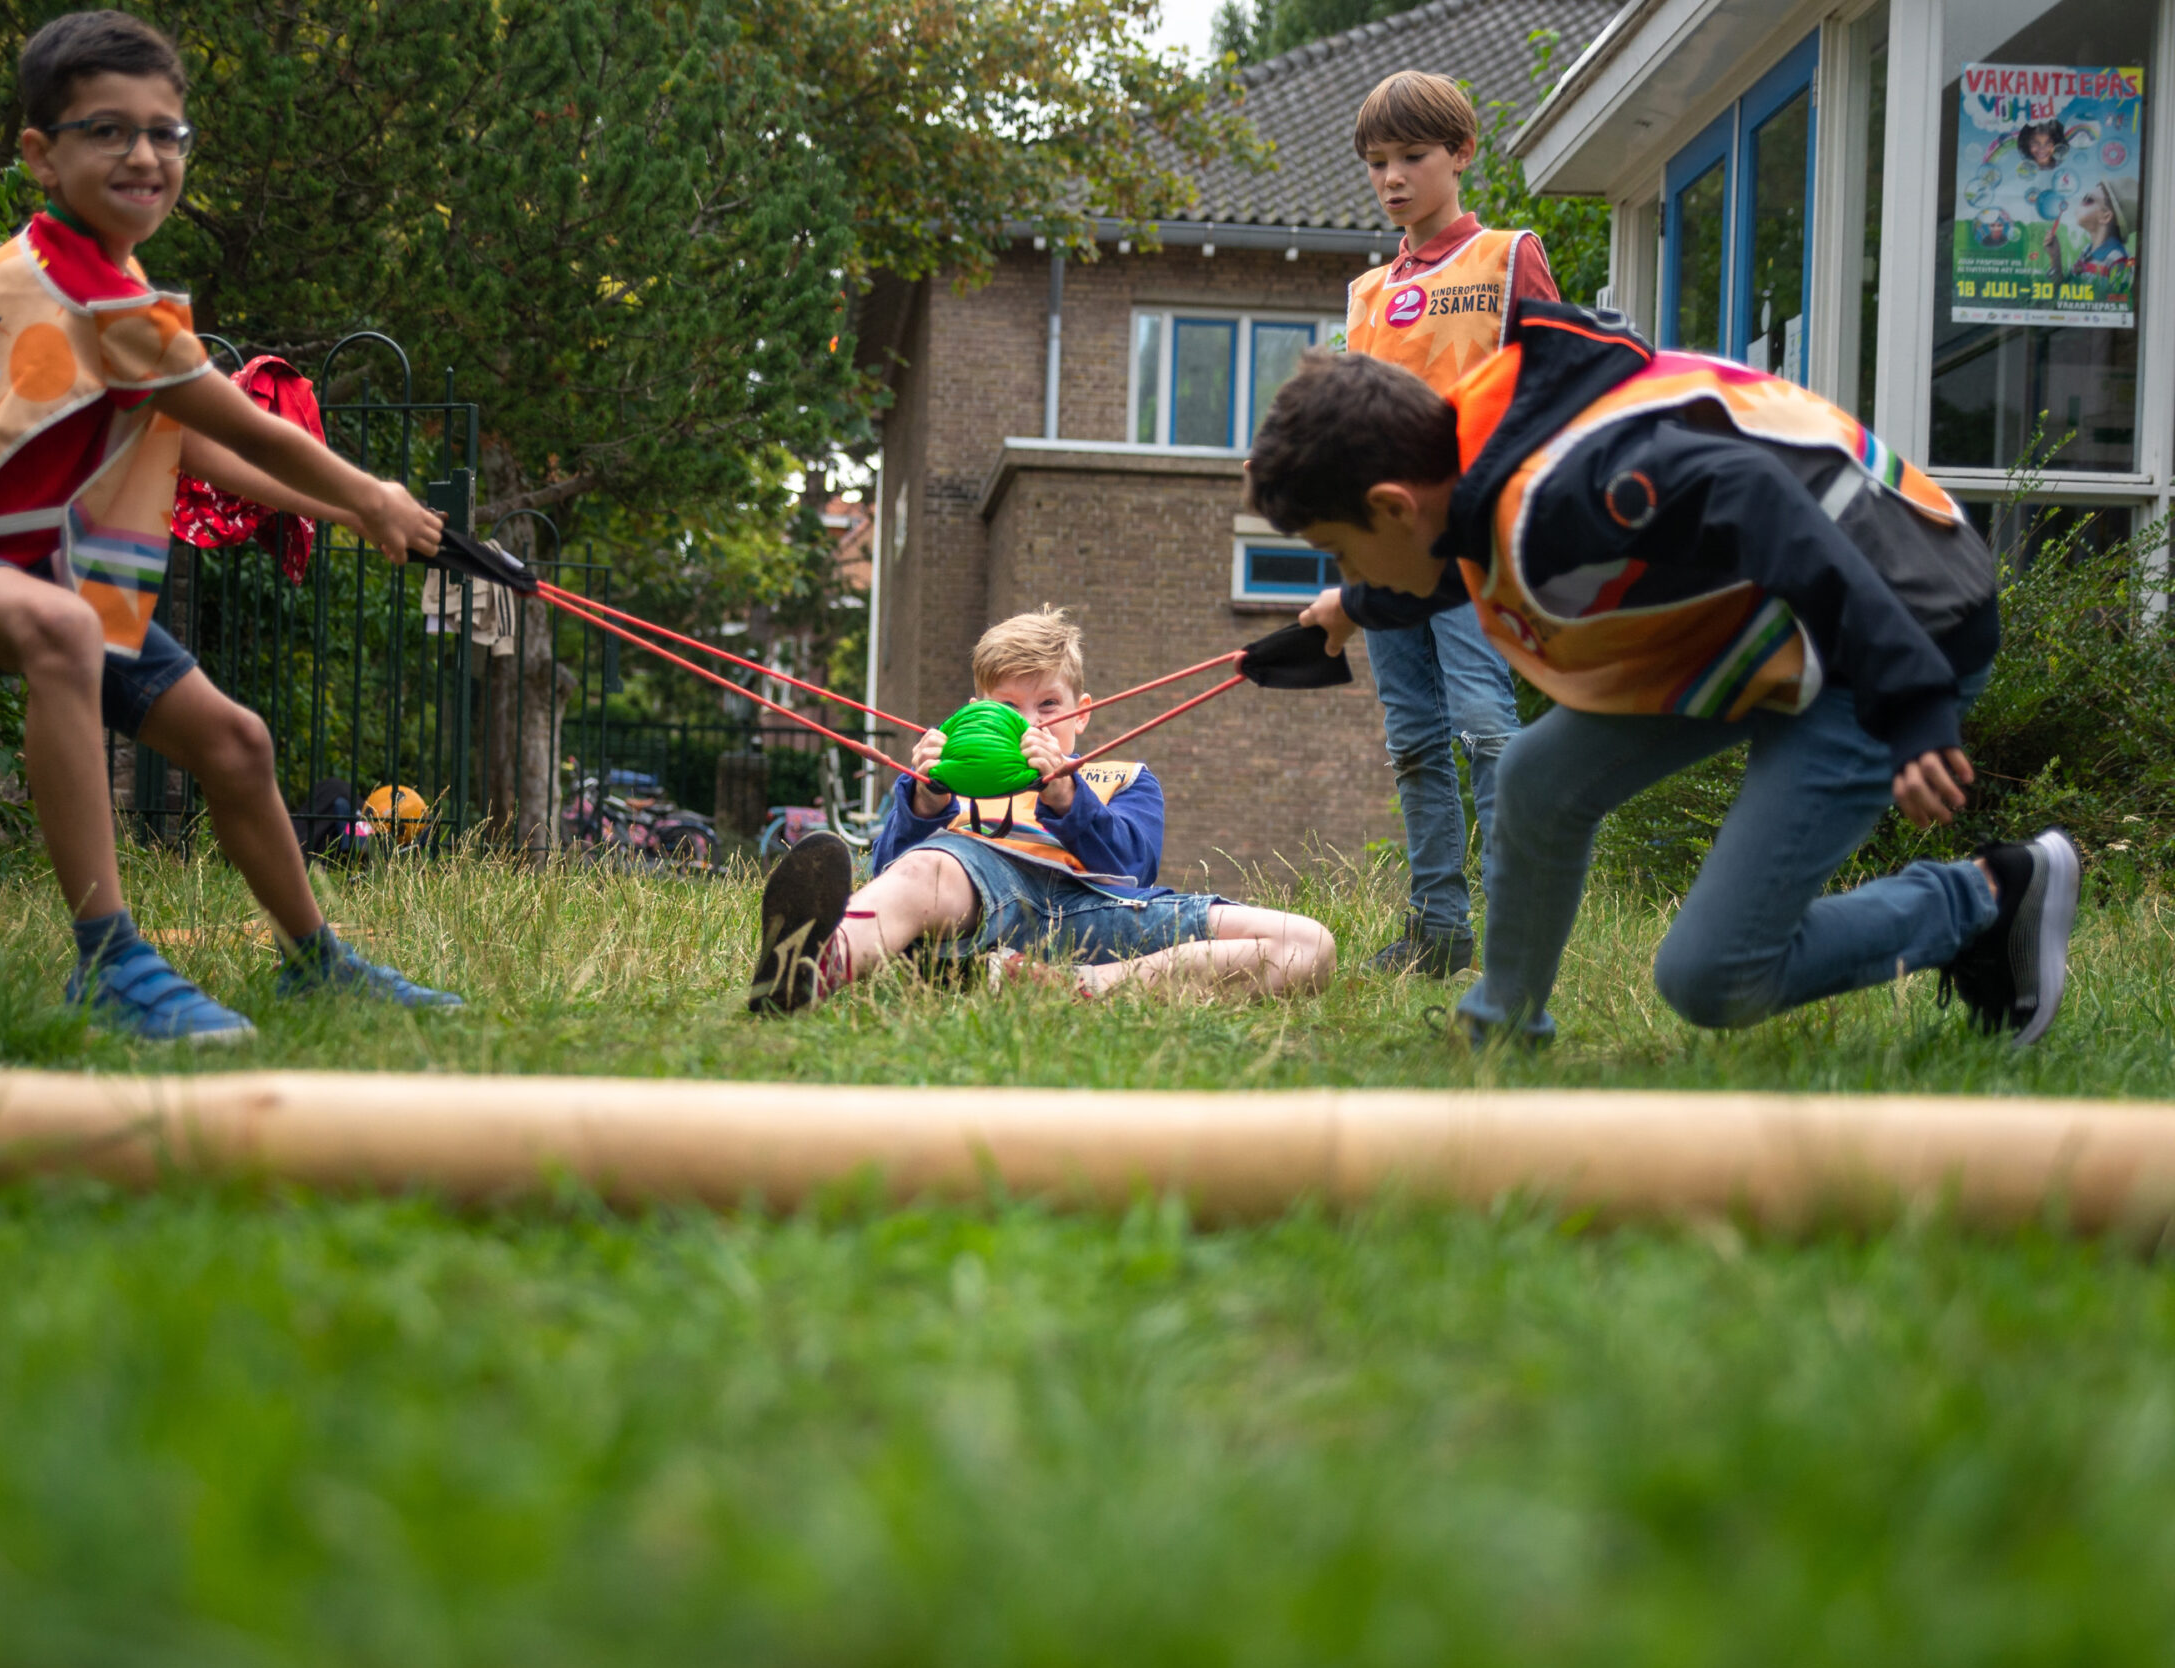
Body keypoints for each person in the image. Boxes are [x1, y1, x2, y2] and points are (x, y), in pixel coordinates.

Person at [0, 10, 463, 1041]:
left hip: (26, 566)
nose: (145, 154)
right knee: (62, 631)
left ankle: (315, 965)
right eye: (107, 130)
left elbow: (194, 443)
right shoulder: (89, 293)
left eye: (166, 132)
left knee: (236, 741)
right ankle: (108, 961)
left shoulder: (95, 281)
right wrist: (368, 490)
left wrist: (347, 510)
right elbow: (237, 420)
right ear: (40, 154)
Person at [1247, 298, 2079, 1046]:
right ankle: (1501, 1028)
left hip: (1894, 628)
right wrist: (1356, 605)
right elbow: (1451, 549)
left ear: (1392, 503)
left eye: (1338, 548)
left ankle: (1988, 898)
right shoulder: (1473, 455)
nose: (1344, 565)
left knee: (1713, 977)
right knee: (1538, 778)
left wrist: (1913, 700)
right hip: (1764, 626)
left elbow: (1757, 497)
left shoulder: (1575, 491)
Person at [746, 609, 1333, 1011]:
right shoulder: (953, 782)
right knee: (929, 868)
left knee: (1307, 944)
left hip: (1099, 911)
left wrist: (1066, 797)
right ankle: (809, 969)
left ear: (1082, 713)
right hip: (984, 899)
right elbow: (894, 875)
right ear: (978, 712)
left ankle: (1073, 986)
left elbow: (1133, 872)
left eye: (1048, 704)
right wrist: (924, 797)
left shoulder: (1123, 777)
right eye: (1008, 707)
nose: (1029, 724)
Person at [1331, 70, 1561, 979]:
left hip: (1474, 537)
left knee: (1483, 725)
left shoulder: (1508, 257)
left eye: (1413, 158)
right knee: (1414, 736)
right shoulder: (1366, 292)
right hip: (1387, 550)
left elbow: (1557, 380)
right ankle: (1437, 926)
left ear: (1461, 155)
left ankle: (1514, 927)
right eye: (1377, 162)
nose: (1393, 177)